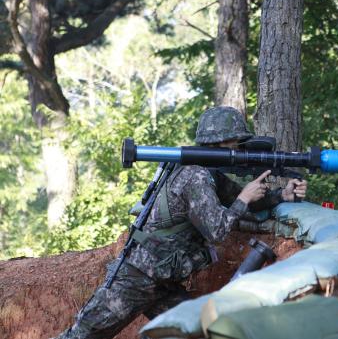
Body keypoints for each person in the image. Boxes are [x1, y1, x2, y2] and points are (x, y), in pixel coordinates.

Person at [55, 106, 307, 339]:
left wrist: (281, 195)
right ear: (220, 142)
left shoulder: (208, 173)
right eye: (235, 141)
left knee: (196, 332)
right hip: (136, 278)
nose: (240, 148)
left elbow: (247, 202)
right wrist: (244, 197)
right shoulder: (195, 175)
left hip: (160, 281)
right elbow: (218, 230)